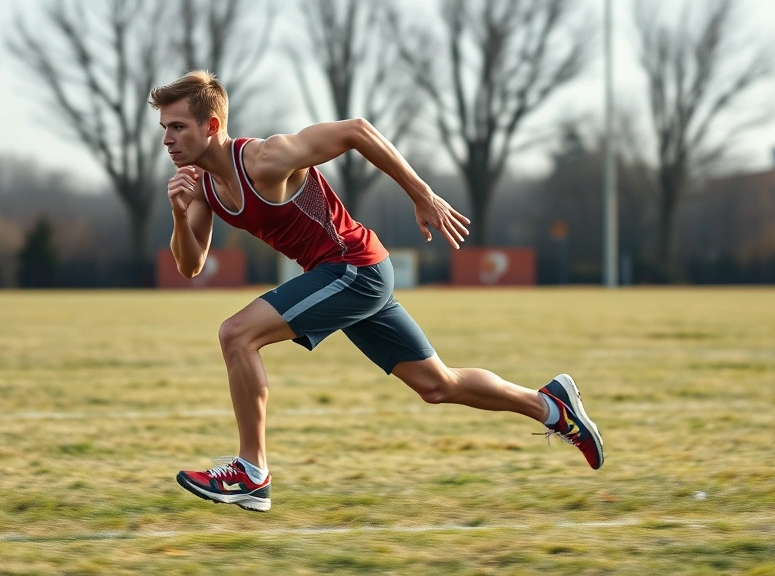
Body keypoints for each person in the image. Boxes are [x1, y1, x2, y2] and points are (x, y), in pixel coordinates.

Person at [149, 70, 603, 513]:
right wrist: (177, 212)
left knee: (237, 334)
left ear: (211, 126)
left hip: (352, 266)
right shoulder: (202, 187)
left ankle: (251, 472)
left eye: (177, 126)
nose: (167, 138)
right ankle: (551, 406)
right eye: (164, 127)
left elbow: (356, 131)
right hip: (348, 276)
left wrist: (421, 194)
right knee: (437, 385)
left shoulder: (267, 157)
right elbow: (190, 266)